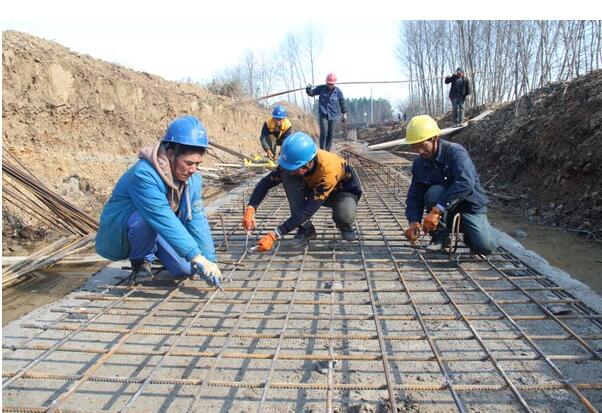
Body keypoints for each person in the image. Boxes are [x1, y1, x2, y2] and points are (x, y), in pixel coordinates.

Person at [95, 115, 222, 285]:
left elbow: (197, 218)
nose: (193, 170)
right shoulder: (144, 175)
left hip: (160, 228)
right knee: (143, 219)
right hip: (127, 230)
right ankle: (141, 261)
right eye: (189, 163)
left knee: (186, 270)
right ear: (170, 154)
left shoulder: (193, 179)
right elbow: (161, 216)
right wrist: (195, 255)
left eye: (197, 164)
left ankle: (158, 251)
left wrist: (209, 260)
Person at [242, 132, 362, 250]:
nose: (290, 171)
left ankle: (345, 225)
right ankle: (306, 229)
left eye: (293, 168)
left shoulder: (327, 171)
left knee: (343, 216)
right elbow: (266, 182)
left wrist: (274, 235)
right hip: (314, 186)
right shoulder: (296, 160)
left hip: (342, 191)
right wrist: (251, 207)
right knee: (287, 177)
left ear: (308, 164)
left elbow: (308, 209)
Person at [402, 115, 498, 256]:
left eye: (423, 145)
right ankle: (440, 238)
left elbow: (465, 183)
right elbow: (415, 195)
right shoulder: (419, 163)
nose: (419, 151)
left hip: (468, 206)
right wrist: (414, 222)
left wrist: (437, 210)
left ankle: (471, 235)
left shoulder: (455, 153)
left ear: (435, 138)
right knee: (433, 192)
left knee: (486, 247)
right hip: (444, 211)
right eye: (415, 147)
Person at [305, 73, 348, 151]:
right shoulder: (321, 88)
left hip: (333, 116)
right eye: (329, 84)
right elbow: (311, 93)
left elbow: (342, 102)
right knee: (324, 132)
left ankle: (327, 151)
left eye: (332, 84)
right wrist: (308, 88)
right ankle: (322, 150)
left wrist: (344, 114)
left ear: (334, 83)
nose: (330, 86)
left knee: (330, 134)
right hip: (323, 115)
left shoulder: (338, 91)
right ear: (326, 82)